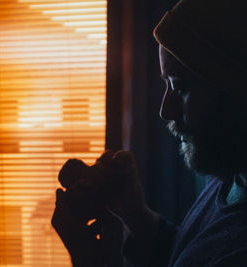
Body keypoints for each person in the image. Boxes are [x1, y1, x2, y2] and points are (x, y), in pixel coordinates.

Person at [51, 0, 247, 266]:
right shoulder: (230, 174)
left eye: (179, 87)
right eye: (166, 84)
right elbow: (191, 255)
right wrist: (135, 214)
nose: (166, 110)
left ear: (233, 87)